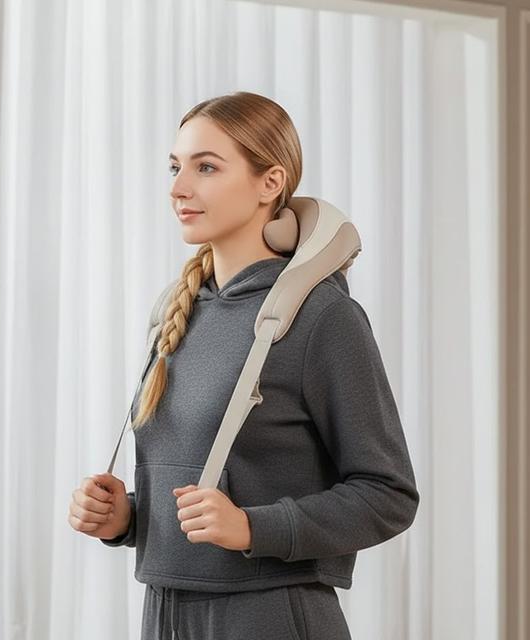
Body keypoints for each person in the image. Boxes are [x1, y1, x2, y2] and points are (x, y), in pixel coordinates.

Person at [68, 91, 419, 639]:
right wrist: (128, 519)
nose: (179, 188)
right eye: (176, 167)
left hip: (269, 616)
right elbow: (197, 488)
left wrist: (254, 527)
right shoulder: (177, 311)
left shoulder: (322, 316)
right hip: (165, 612)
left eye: (206, 167)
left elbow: (388, 495)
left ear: (270, 183)